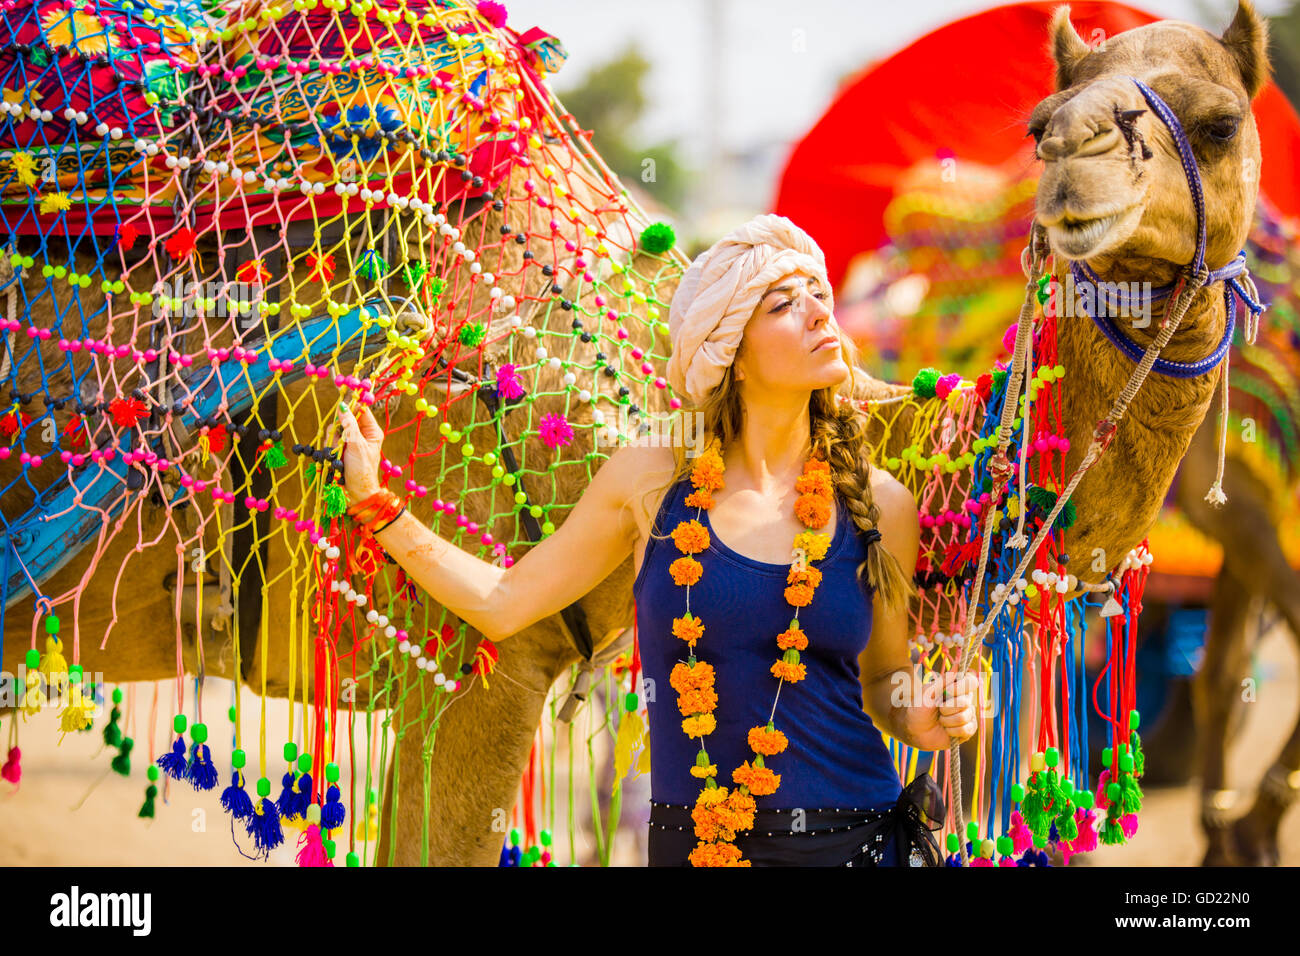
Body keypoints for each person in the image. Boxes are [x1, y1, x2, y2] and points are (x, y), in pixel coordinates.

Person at [337, 213, 979, 867]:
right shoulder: (649, 482)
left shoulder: (881, 504)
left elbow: (885, 680)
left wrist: (921, 714)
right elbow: (504, 601)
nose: (819, 313)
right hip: (697, 847)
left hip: (856, 843)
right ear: (730, 354)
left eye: (819, 294)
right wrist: (378, 507)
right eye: (786, 303)